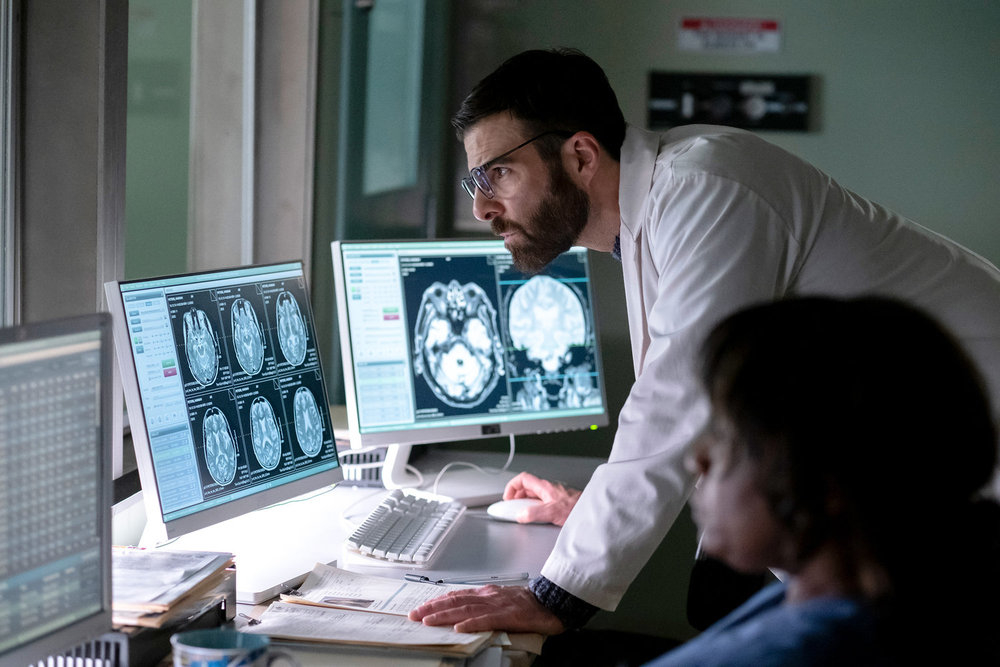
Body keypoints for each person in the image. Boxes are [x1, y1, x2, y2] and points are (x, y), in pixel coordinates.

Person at [408, 47, 1000, 636]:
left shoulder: (707, 188)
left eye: (499, 174)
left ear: (581, 155)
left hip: (968, 475)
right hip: (892, 494)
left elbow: (676, 401)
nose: (483, 206)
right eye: (474, 182)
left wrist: (556, 595)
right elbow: (696, 407)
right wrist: (589, 513)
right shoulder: (654, 215)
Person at [644, 296, 1000, 665]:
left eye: (724, 435)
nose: (697, 458)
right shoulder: (847, 597)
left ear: (821, 479)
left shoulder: (808, 650)